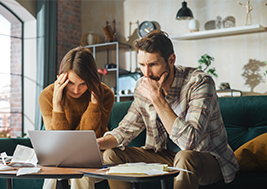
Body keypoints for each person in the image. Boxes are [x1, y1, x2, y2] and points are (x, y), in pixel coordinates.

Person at [97, 30, 239, 189]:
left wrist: (156, 99)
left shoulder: (199, 82)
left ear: (171, 60)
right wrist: (97, 144)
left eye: (153, 64)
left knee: (185, 157)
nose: (147, 74)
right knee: (111, 154)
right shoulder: (143, 86)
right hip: (165, 156)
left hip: (208, 158)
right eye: (142, 65)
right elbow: (125, 130)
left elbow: (189, 143)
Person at [39, 46, 115, 189]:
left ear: (92, 80)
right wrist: (57, 104)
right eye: (71, 83)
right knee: (51, 170)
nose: (76, 90)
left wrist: (95, 103)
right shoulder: (47, 95)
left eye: (83, 84)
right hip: (60, 154)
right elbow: (57, 140)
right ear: (61, 78)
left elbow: (90, 138)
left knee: (81, 167)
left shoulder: (105, 94)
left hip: (93, 153)